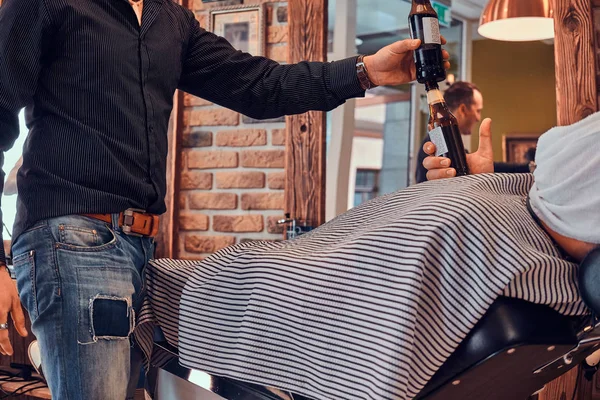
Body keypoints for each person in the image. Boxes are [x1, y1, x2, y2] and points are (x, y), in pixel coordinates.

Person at [0, 0, 450, 398]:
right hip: (69, 238)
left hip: (141, 249)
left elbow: (260, 85)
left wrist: (367, 71)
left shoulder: (169, 20)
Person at [139, 112, 599, 400]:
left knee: (251, 271)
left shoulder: (495, 226)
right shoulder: (497, 206)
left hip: (244, 276)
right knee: (272, 265)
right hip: (266, 271)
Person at [415, 81, 483, 183]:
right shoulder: (436, 140)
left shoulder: (454, 144)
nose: (478, 118)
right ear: (463, 110)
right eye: (478, 111)